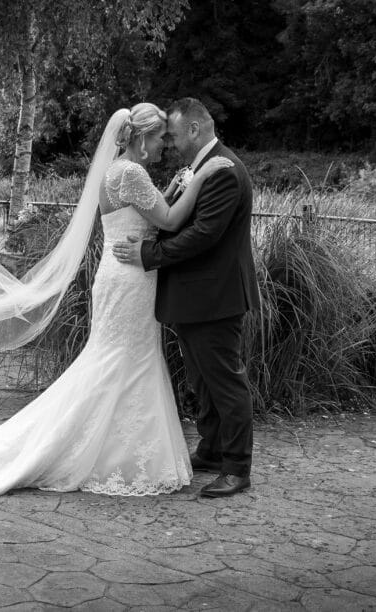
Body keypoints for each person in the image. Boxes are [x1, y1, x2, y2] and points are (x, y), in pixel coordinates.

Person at [0, 103, 232, 500]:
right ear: (141, 137)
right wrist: (202, 176)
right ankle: (101, 452)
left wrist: (174, 188)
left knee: (118, 360)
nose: (164, 146)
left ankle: (113, 450)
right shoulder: (133, 172)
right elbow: (170, 222)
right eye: (160, 138)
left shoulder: (116, 172)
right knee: (123, 360)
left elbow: (148, 213)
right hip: (130, 279)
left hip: (119, 274)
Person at [112, 97, 260, 499]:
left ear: (195, 130)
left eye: (174, 135)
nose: (172, 144)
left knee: (226, 383)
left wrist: (149, 255)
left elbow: (203, 235)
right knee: (203, 381)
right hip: (196, 297)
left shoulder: (224, 172)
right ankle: (212, 450)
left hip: (215, 298)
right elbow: (172, 219)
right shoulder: (202, 169)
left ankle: (236, 468)